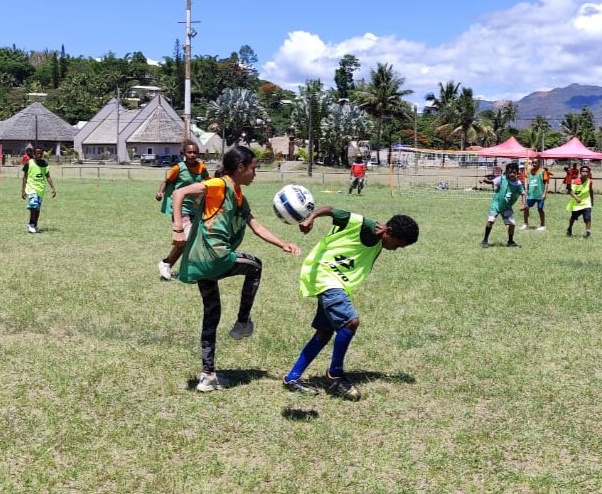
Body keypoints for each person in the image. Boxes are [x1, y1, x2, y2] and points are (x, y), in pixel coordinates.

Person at [171, 146, 301, 393]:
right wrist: (178, 228)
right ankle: (242, 322)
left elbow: (256, 226)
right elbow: (179, 193)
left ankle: (207, 376)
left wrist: (283, 243)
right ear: (240, 168)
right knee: (255, 266)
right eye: (253, 168)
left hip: (200, 262)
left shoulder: (239, 195)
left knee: (212, 314)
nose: (255, 173)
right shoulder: (219, 184)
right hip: (215, 255)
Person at [282, 206, 419, 400]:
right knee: (350, 322)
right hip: (326, 276)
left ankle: (292, 378)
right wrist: (310, 218)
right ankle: (335, 374)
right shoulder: (365, 226)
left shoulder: (380, 239)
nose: (396, 249)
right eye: (398, 244)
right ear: (389, 231)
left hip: (333, 281)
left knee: (325, 331)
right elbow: (332, 210)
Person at [155, 140, 209, 281]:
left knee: (187, 241)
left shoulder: (202, 168)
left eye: (195, 152)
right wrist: (160, 192)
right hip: (180, 208)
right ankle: (183, 268)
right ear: (184, 153)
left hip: (195, 209)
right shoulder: (178, 168)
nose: (192, 155)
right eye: (189, 152)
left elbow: (209, 183)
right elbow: (166, 182)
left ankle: (166, 264)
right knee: (188, 237)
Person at [480, 162, 525, 248]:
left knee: (512, 224)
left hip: (506, 207)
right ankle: (485, 240)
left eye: (514, 172)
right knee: (491, 221)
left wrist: (524, 204)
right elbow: (492, 182)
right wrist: (486, 181)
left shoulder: (518, 184)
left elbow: (523, 193)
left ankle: (510, 241)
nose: (512, 174)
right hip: (496, 204)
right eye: (510, 172)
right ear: (506, 172)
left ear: (517, 173)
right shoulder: (502, 179)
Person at [21, 147, 56, 234]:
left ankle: (35, 225)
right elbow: (25, 177)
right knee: (33, 205)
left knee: (37, 208)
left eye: (41, 153)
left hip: (40, 189)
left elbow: (48, 176)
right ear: (33, 154)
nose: (39, 155)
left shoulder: (45, 164)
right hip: (31, 188)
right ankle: (31, 225)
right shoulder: (29, 163)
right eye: (37, 153)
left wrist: (53, 188)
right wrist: (23, 190)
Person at [565, 164, 594, 238]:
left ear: (589, 173)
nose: (585, 173)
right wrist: (576, 197)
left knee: (587, 217)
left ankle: (588, 232)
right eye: (583, 171)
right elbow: (569, 191)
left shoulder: (589, 181)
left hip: (586, 202)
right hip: (576, 202)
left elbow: (591, 191)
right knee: (573, 217)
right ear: (580, 172)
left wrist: (592, 200)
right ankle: (569, 228)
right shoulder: (575, 181)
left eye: (586, 171)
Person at [521, 159, 550, 231]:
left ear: (539, 163)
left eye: (535, 163)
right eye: (533, 163)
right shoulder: (529, 171)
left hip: (539, 194)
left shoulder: (543, 172)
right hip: (531, 194)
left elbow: (546, 183)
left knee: (540, 209)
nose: (534, 164)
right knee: (526, 208)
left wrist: (544, 193)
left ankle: (542, 225)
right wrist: (526, 190)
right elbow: (527, 181)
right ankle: (525, 224)